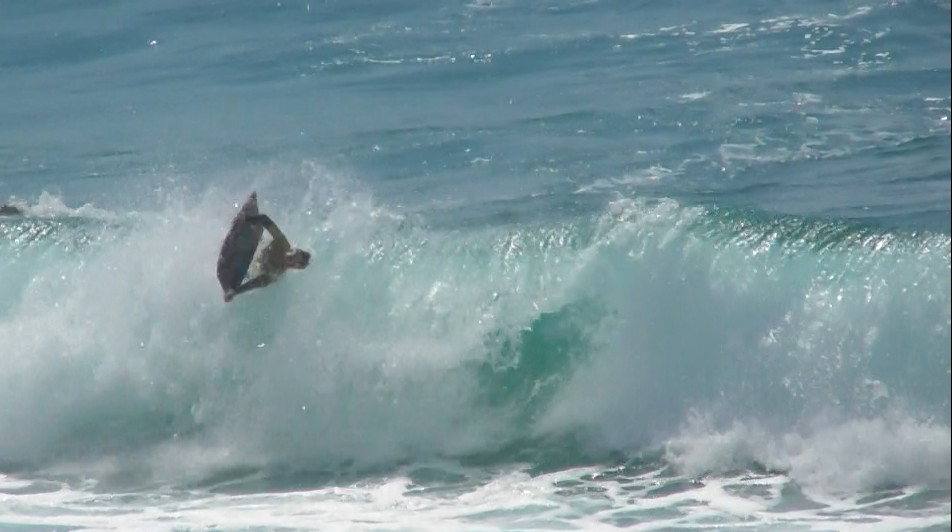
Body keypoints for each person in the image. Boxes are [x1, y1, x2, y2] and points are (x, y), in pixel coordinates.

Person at [223, 212, 311, 302]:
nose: (288, 262)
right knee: (257, 236)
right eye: (291, 257)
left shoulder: (275, 272)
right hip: (253, 248)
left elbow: (254, 283)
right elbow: (264, 219)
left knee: (249, 272)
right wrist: (246, 218)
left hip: (248, 269)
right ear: (295, 250)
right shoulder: (282, 242)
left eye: (291, 264)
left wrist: (234, 292)